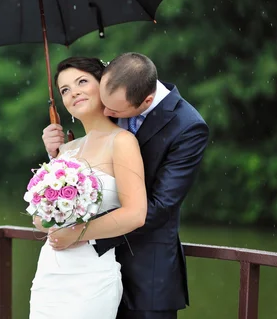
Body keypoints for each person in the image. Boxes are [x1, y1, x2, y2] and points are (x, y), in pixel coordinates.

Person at [42, 52, 209, 319]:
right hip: (82, 276)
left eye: (115, 112)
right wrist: (58, 157)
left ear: (146, 101)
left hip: (146, 275)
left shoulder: (187, 127)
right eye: (65, 89)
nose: (108, 113)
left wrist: (83, 236)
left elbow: (160, 205)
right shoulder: (118, 89)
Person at [30, 57, 148, 319]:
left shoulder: (122, 141)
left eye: (82, 82)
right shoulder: (65, 151)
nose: (74, 92)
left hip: (91, 274)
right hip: (51, 271)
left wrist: (77, 233)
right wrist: (50, 224)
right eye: (65, 90)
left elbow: (135, 214)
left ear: (104, 86)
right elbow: (39, 217)